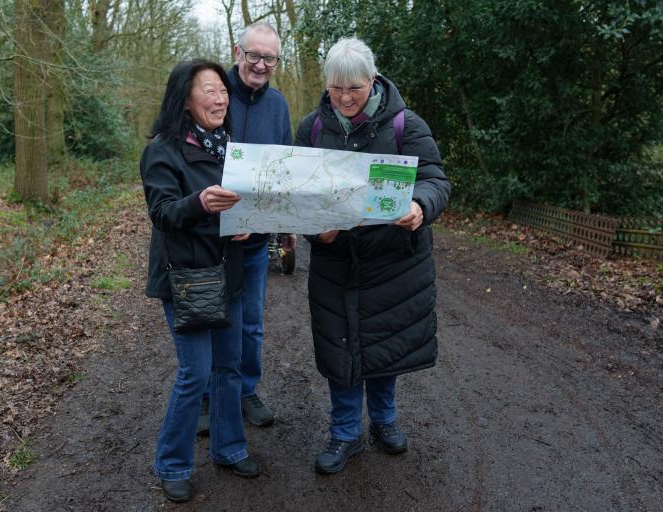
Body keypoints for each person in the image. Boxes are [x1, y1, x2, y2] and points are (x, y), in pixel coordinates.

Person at [294, 38, 451, 475]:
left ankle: (384, 421)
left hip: (393, 260)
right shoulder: (310, 128)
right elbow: (297, 193)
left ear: (373, 81)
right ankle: (345, 432)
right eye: (335, 89)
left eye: (355, 89)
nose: (344, 98)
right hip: (336, 261)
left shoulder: (406, 125)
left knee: (386, 342)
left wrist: (421, 205)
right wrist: (312, 228)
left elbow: (435, 179)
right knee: (340, 348)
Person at [140, 59, 260, 503]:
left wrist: (244, 221)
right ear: (184, 99)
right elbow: (163, 214)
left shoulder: (229, 146)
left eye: (223, 90)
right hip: (187, 279)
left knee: (229, 368)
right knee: (196, 372)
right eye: (209, 90)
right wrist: (201, 202)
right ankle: (172, 463)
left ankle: (229, 449)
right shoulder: (162, 150)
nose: (221, 97)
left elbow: (237, 206)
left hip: (227, 271)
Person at [197, 22, 293, 434]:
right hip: (208, 240)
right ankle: (204, 398)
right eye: (253, 55)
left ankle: (245, 391)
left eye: (269, 58)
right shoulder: (216, 96)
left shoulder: (278, 105)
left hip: (255, 240)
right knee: (206, 319)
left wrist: (284, 225)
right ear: (238, 52)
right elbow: (193, 160)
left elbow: (286, 167)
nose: (260, 64)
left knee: (250, 323)